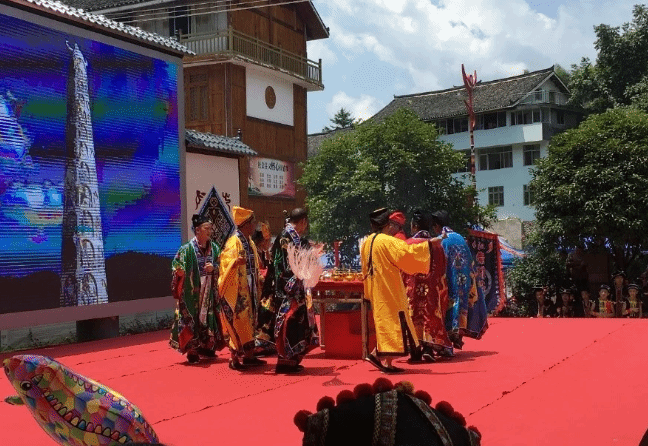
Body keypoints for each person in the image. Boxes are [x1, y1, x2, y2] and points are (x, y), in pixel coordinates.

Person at [361, 207, 433, 373]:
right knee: (393, 322)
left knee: (383, 322)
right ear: (387, 225)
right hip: (388, 287)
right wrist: (428, 245)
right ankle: (388, 363)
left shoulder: (367, 242)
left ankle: (375, 354)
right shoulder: (386, 241)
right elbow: (406, 253)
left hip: (375, 287)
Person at [170, 214, 226, 363]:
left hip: (208, 289)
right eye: (206, 228)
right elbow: (176, 265)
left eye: (210, 228)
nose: (209, 231)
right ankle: (192, 349)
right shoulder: (186, 249)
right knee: (191, 317)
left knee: (209, 316)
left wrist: (214, 268)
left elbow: (223, 266)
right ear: (197, 230)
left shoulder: (215, 248)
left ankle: (206, 346)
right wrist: (179, 273)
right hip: (192, 290)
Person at [430, 210, 488, 350]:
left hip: (449, 280)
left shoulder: (441, 239)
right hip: (464, 279)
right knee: (461, 306)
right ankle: (458, 336)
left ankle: (447, 343)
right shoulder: (460, 238)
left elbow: (439, 261)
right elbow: (470, 261)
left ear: (437, 225)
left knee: (447, 308)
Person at [218, 206, 267, 370]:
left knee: (250, 323)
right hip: (238, 290)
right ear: (246, 224)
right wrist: (234, 263)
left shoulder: (249, 242)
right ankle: (234, 359)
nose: (254, 226)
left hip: (251, 288)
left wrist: (258, 277)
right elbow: (224, 265)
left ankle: (249, 356)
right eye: (252, 223)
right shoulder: (234, 243)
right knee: (238, 323)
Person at [271, 208, 320, 373]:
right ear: (303, 221)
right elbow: (285, 266)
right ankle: (285, 361)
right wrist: (297, 277)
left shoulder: (293, 237)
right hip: (288, 289)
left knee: (297, 324)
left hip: (296, 288)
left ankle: (292, 359)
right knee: (288, 324)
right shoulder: (286, 237)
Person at [402, 210, 452, 361]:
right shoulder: (437, 245)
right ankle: (428, 348)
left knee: (413, 316)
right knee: (430, 315)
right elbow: (442, 268)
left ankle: (415, 351)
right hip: (431, 288)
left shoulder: (408, 244)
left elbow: (402, 268)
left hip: (412, 289)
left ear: (415, 226)